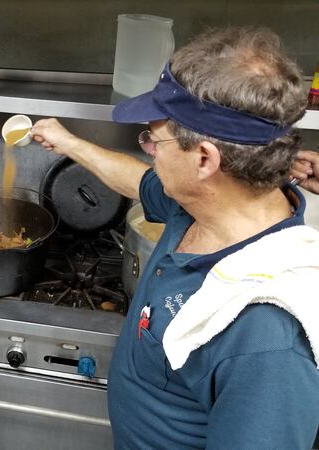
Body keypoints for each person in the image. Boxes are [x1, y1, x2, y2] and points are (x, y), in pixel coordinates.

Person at [32, 27, 319, 449]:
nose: (148, 151)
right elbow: (137, 181)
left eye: (153, 139)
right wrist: (69, 142)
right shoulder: (196, 205)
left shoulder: (265, 338)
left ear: (205, 159)